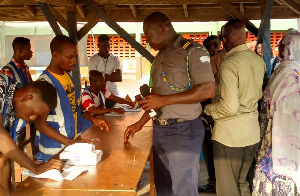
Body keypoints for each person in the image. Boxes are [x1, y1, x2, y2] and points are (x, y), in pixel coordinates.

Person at [124, 12, 215, 196]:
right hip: (160, 130)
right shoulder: (159, 58)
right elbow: (156, 99)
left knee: (184, 189)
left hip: (183, 131)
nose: (147, 41)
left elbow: (208, 90)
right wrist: (139, 124)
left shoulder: (193, 52)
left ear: (163, 29)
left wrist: (164, 100)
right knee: (164, 187)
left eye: (148, 35)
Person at [204, 19, 266, 196]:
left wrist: (208, 110)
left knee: (227, 188)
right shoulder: (257, 61)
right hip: (251, 132)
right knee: (243, 183)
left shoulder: (228, 65)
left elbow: (229, 107)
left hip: (229, 137)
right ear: (245, 36)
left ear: (224, 39)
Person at [34, 35, 110, 162]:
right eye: (69, 57)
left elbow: (76, 108)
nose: (74, 61)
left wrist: (93, 119)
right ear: (55, 55)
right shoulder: (45, 84)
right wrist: (70, 142)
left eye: (75, 57)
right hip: (54, 151)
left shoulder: (69, 79)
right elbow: (40, 124)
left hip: (71, 145)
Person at [252, 33, 300, 195]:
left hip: (281, 137)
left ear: (292, 48)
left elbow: (287, 113)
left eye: (283, 45)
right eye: (280, 45)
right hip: (272, 134)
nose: (279, 48)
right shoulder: (285, 69)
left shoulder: (290, 74)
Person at [0, 74, 64, 193]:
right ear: (27, 98)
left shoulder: (14, 113)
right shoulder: (1, 84)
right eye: (33, 112)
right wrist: (34, 167)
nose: (33, 118)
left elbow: (3, 159)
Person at [198, 34, 226, 193]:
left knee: (215, 150)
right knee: (209, 149)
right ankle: (214, 182)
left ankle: (217, 183)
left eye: (216, 45)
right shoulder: (206, 62)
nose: (214, 49)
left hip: (216, 111)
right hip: (209, 112)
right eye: (211, 47)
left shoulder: (222, 59)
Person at [88, 34, 122, 99]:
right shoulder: (93, 59)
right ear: (98, 46)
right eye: (103, 46)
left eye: (108, 46)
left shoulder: (115, 59)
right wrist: (111, 75)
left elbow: (119, 78)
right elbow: (93, 78)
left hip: (114, 94)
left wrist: (101, 75)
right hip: (98, 95)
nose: (107, 49)